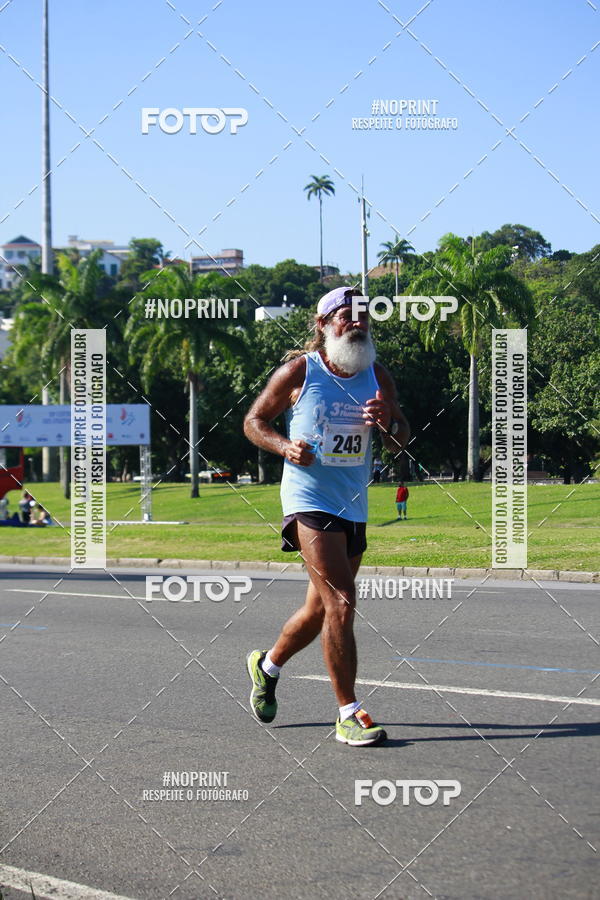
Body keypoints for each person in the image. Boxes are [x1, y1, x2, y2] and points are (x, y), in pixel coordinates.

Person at [243, 286, 410, 746]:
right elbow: (254, 421)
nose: (357, 323)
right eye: (346, 316)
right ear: (324, 325)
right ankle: (348, 712)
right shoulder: (301, 371)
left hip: (353, 503)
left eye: (364, 317)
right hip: (308, 499)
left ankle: (267, 664)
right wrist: (284, 446)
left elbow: (401, 439)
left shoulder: (377, 375)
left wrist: (389, 423)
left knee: (320, 609)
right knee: (342, 601)